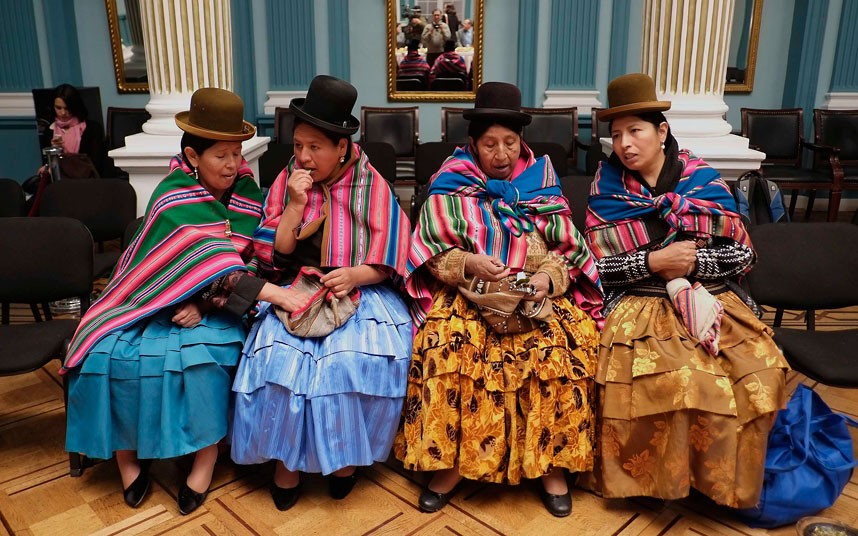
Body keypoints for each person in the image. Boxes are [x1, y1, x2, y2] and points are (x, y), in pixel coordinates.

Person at [62, 88, 296, 515]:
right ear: (192, 154)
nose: (233, 164)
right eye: (221, 155)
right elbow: (171, 262)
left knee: (204, 356)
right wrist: (196, 292)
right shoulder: (173, 193)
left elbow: (250, 257)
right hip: (148, 299)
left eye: (237, 153)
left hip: (223, 304)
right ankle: (128, 456)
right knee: (109, 354)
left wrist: (205, 303)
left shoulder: (245, 190)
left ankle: (205, 459)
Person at [394, 82, 604, 517]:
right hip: (468, 295)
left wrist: (548, 278)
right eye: (490, 144)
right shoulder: (451, 182)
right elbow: (431, 253)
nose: (501, 153)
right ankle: (451, 465)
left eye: (510, 143)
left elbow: (567, 250)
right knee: (449, 347)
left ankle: (551, 465)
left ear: (521, 142)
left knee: (566, 349)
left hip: (533, 295)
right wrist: (469, 262)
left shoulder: (540, 182)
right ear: (472, 144)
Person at [584, 73, 789, 508]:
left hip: (710, 293)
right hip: (637, 301)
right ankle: (658, 481)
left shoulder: (702, 180)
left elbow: (740, 256)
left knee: (762, 367)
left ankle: (719, 480)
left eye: (635, 131)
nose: (624, 144)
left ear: (661, 132)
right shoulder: (607, 189)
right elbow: (595, 269)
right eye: (617, 135)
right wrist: (653, 262)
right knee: (675, 375)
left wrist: (694, 263)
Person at [230, 75, 413, 512]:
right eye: (298, 146)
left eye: (315, 147)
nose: (304, 157)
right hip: (296, 286)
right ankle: (285, 463)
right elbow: (273, 254)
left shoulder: (373, 187)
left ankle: (343, 462)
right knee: (277, 362)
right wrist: (295, 206)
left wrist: (353, 275)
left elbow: (392, 256)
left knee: (350, 364)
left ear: (342, 148)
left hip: (361, 290)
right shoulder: (288, 182)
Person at [29, 84, 107, 215]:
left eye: (67, 108)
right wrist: (54, 150)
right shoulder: (50, 131)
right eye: (58, 108)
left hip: (85, 182)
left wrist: (66, 159)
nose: (63, 113)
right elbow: (46, 164)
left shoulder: (92, 128)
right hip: (59, 184)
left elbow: (96, 163)